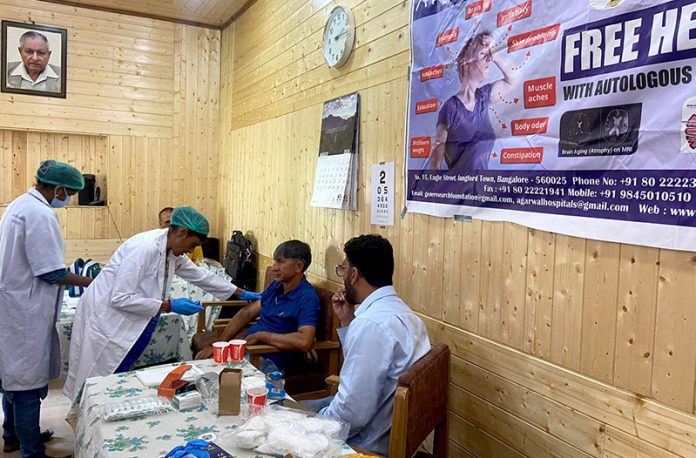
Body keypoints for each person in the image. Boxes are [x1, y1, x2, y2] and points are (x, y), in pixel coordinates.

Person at [64, 206, 262, 401]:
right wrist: (169, 305)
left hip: (134, 317)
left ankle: (112, 404)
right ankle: (91, 417)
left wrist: (239, 292)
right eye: (192, 245)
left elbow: (199, 275)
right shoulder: (144, 248)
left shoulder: (171, 252)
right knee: (100, 375)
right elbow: (119, 297)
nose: (190, 251)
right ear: (182, 232)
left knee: (119, 373)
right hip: (106, 318)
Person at [0, 160, 92, 458]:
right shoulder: (40, 214)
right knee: (26, 386)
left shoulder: (19, 205)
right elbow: (51, 273)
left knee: (11, 379)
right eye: (70, 194)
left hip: (13, 306)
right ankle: (32, 452)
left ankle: (12, 436)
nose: (69, 200)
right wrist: (92, 282)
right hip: (22, 312)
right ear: (59, 189)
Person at [310, 235, 431, 456]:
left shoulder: (370, 325)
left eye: (343, 269)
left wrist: (313, 429)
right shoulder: (405, 314)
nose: (343, 276)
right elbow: (366, 370)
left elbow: (352, 413)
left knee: (279, 418)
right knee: (291, 407)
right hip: (391, 429)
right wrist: (348, 321)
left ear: (354, 274)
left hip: (367, 443)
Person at [193, 240, 319, 375]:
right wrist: (219, 344)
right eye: (274, 262)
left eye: (280, 262)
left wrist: (262, 336)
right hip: (246, 350)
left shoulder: (307, 297)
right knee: (199, 370)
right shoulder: (277, 286)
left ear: (298, 266)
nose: (274, 267)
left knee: (217, 381)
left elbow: (305, 341)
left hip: (268, 360)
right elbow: (246, 313)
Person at [428, 31, 520, 171]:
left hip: (483, 190)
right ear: (466, 63)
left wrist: (494, 52)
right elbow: (435, 166)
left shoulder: (484, 97)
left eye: (489, 55)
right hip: (459, 190)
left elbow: (514, 77)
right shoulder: (450, 109)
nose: (489, 59)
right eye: (483, 54)